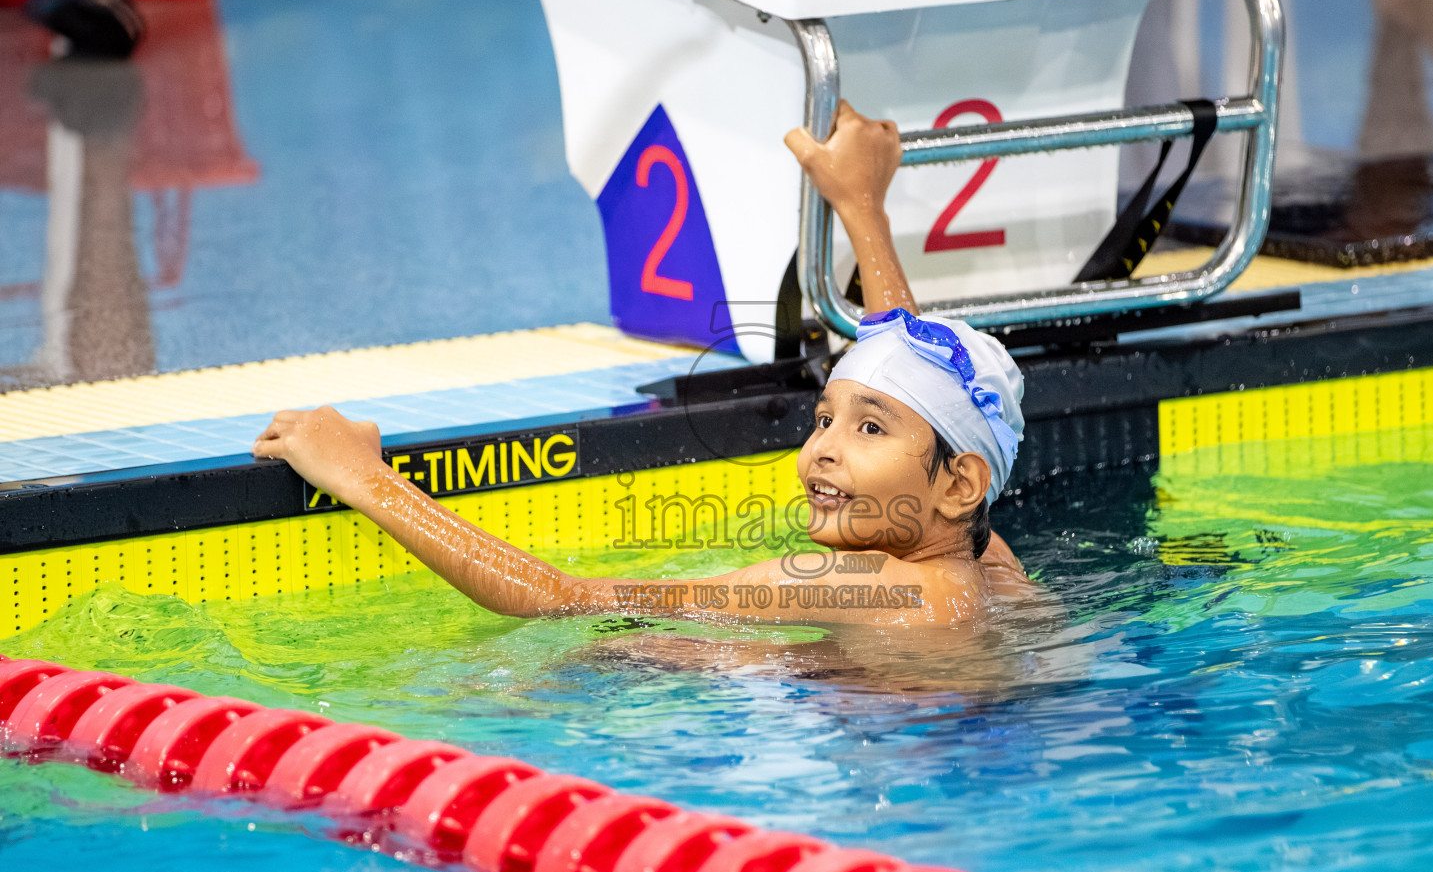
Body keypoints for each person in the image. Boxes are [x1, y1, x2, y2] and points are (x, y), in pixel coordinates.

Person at [254, 101, 1034, 627]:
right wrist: (863, 208)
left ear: (958, 485)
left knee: (606, 645)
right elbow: (913, 373)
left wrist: (363, 476)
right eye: (825, 417)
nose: (823, 446)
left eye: (866, 429)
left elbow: (564, 599)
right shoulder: (984, 564)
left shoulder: (865, 583)